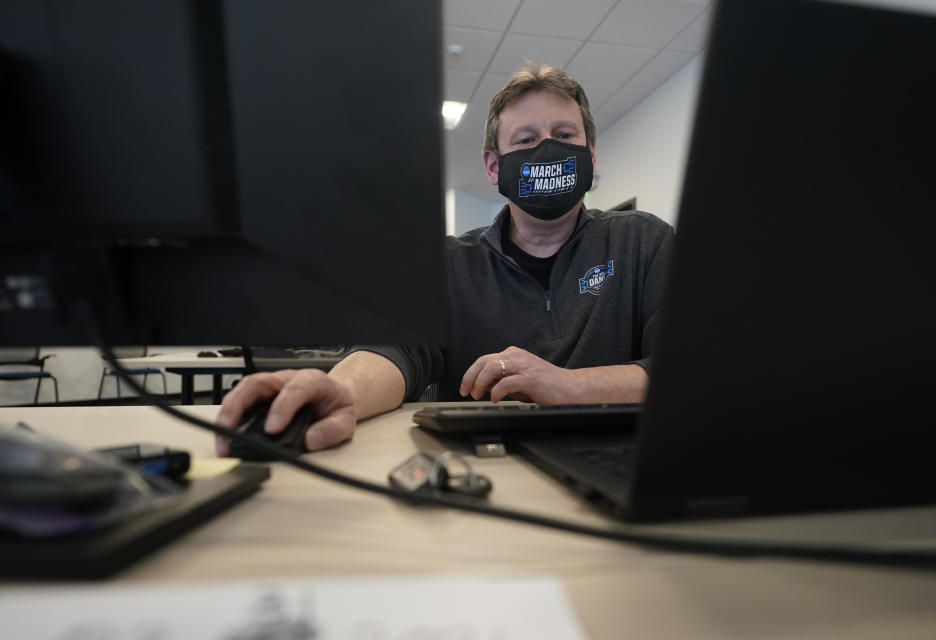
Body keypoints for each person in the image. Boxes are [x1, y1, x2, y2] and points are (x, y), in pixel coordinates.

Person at [215, 61, 674, 454]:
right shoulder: (449, 264)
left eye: (564, 134)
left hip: (618, 461)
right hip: (478, 469)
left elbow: (687, 371)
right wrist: (341, 391)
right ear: (494, 166)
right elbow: (395, 350)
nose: (547, 150)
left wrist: (568, 387)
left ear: (590, 155)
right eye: (526, 140)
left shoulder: (644, 244)